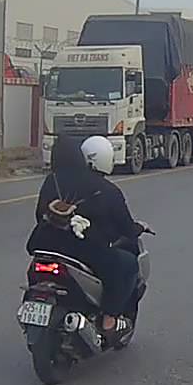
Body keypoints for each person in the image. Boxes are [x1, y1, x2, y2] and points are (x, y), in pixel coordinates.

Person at [26, 135, 143, 338]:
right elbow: (125, 227)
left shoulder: (51, 181)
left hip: (43, 245)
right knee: (128, 264)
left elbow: (39, 214)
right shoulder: (107, 189)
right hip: (81, 251)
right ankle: (109, 319)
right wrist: (137, 229)